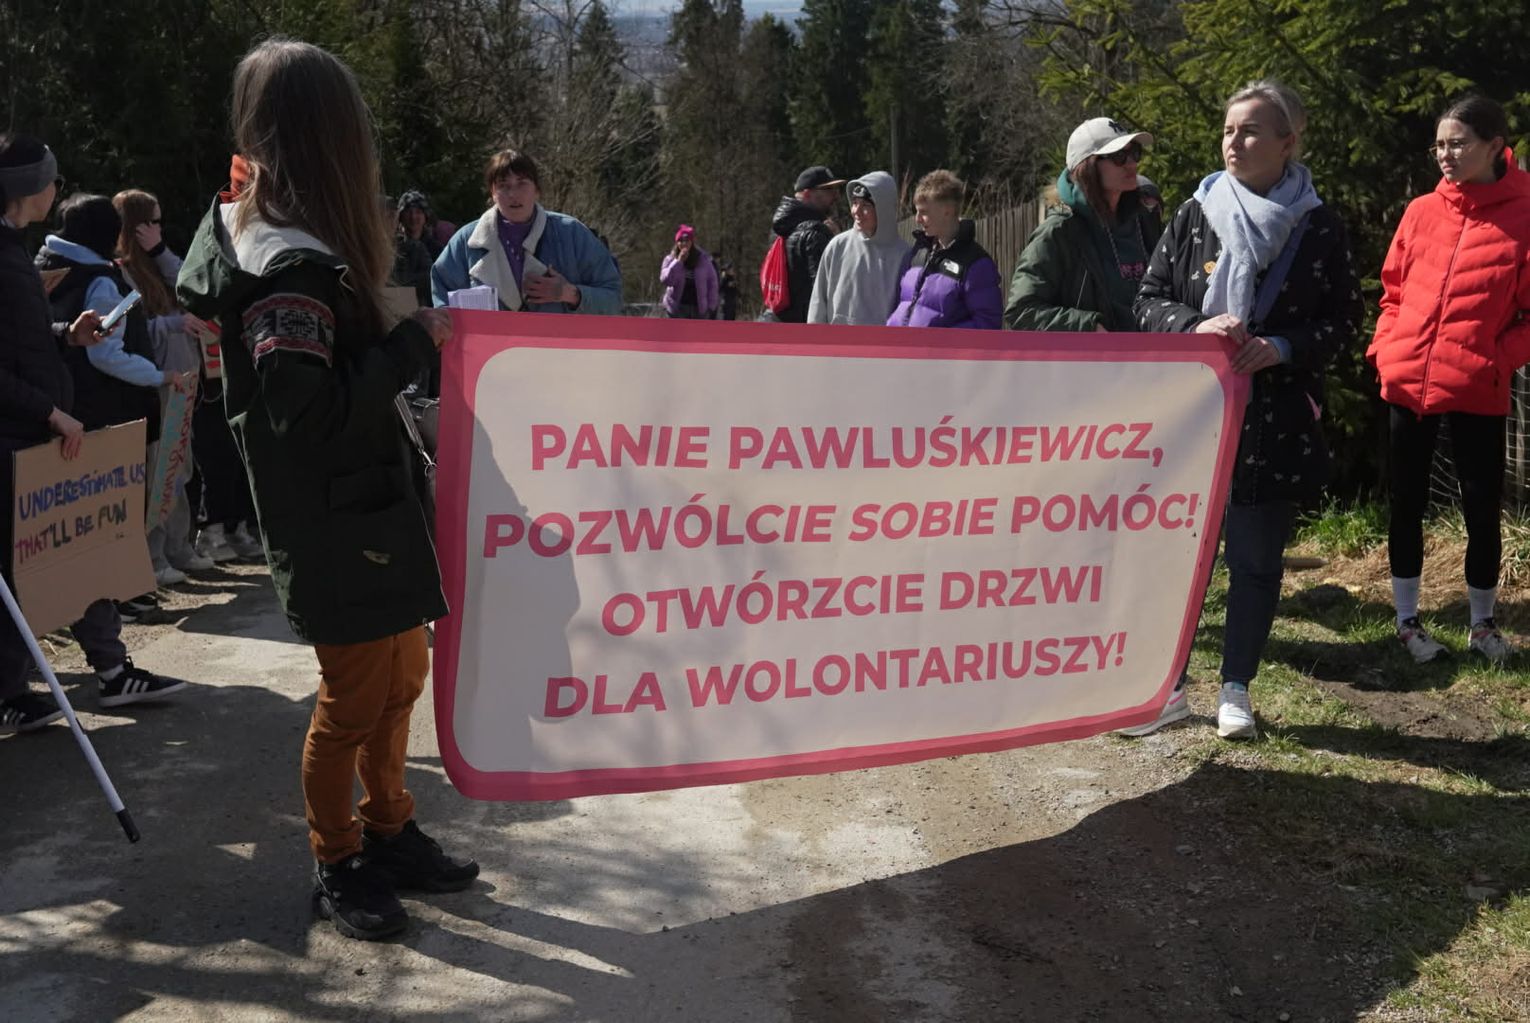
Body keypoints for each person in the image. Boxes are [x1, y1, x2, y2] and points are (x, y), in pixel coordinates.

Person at [177, 38, 478, 940]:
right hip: (334, 524)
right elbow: (303, 418)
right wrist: (411, 344)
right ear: (328, 141)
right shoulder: (287, 267)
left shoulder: (285, 239)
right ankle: (338, 856)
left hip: (370, 510)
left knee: (403, 676)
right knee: (352, 698)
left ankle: (390, 827)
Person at [1134, 80, 1363, 739]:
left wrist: (1283, 346)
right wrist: (1194, 326)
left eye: (1251, 130)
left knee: (1256, 560)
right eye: (1229, 129)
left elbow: (1345, 320)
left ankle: (1235, 687)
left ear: (1288, 143)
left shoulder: (1318, 227)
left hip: (1274, 422)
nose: (1234, 141)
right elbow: (1147, 300)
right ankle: (1167, 688)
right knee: (1182, 558)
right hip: (1194, 419)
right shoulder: (1195, 213)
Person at [0, 135, 187, 733]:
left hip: (43, 430)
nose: (56, 190)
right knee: (28, 565)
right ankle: (17, 691)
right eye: (50, 180)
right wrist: (50, 412)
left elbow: (21, 339)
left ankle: (106, 671)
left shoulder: (16, 250)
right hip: (25, 434)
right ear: (30, 189)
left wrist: (66, 335)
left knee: (75, 549)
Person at [1367, 95, 1530, 665]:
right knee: (1406, 502)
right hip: (1408, 378)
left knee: (1481, 507)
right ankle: (1406, 621)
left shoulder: (1524, 214)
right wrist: (1386, 350)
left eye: (1458, 143)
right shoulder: (1420, 211)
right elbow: (1392, 292)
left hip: (1478, 385)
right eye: (1439, 144)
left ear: (1494, 145)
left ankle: (1482, 625)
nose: (1445, 154)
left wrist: (1495, 359)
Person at [115, 188, 215, 585]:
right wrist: (173, 324)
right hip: (157, 380)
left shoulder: (158, 264)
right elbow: (131, 329)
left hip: (184, 377)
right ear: (134, 225)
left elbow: (191, 284)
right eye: (152, 222)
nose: (159, 229)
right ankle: (154, 556)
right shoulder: (121, 270)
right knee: (160, 472)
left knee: (180, 468)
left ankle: (179, 546)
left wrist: (159, 251)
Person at [1006, 118, 1160, 332]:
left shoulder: (1146, 219)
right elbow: (1021, 311)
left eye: (1135, 153)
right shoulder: (1058, 232)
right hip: (1094, 354)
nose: (1131, 163)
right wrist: (1088, 326)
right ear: (1086, 167)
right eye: (1119, 156)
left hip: (1153, 351)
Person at [431, 149, 622, 314]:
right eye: (503, 185)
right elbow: (441, 305)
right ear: (492, 193)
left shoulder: (572, 234)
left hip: (560, 346)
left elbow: (613, 300)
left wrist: (570, 294)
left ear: (537, 190)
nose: (513, 194)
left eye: (521, 183)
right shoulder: (466, 241)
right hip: (491, 347)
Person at [887, 169, 1003, 330]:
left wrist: (942, 340)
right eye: (917, 211)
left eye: (924, 212)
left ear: (947, 211)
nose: (917, 219)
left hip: (939, 348)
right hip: (901, 345)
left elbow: (987, 323)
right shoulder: (919, 253)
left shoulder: (976, 264)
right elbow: (904, 305)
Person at [807, 171, 909, 326]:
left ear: (884, 208)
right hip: (838, 339)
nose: (857, 211)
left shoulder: (904, 255)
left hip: (882, 341)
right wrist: (815, 337)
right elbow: (818, 302)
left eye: (866, 205)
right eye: (855, 203)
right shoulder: (838, 246)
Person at [767, 165, 844, 323]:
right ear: (807, 194)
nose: (835, 196)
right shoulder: (815, 233)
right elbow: (827, 289)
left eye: (836, 190)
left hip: (779, 319)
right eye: (828, 190)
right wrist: (838, 241)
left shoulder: (780, 227)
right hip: (807, 326)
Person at [660, 225, 718, 319]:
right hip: (676, 309)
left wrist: (711, 306)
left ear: (691, 242)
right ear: (677, 243)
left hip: (699, 310)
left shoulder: (703, 259)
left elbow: (712, 282)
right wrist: (678, 262)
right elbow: (666, 280)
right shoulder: (670, 259)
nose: (684, 243)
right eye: (680, 240)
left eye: (687, 240)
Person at [396, 190, 442, 261]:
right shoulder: (392, 246)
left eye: (418, 212)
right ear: (401, 216)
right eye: (408, 212)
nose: (413, 217)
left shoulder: (436, 250)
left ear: (425, 216)